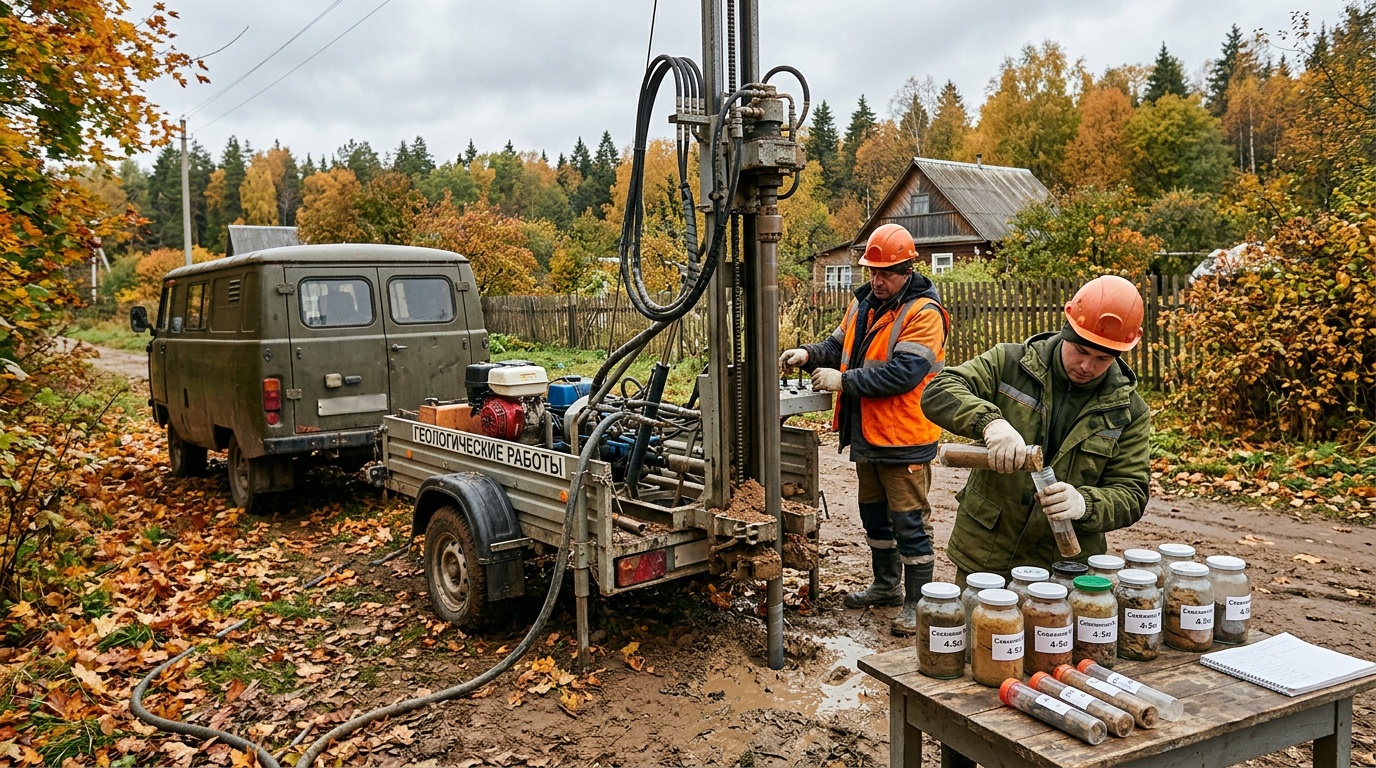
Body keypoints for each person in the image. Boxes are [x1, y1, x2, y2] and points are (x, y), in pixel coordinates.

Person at [921, 274, 1152, 586]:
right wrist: (990, 422)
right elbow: (940, 391)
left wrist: (1084, 503)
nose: (1086, 365)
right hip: (987, 554)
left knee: (1051, 632)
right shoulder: (1010, 363)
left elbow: (1131, 494)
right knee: (980, 629)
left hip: (1064, 568)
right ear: (1066, 330)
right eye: (1080, 350)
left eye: (1102, 358)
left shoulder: (1129, 411)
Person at [780, 224, 948, 637]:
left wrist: (845, 382)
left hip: (905, 438)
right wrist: (806, 353)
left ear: (908, 269)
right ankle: (887, 586)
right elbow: (839, 346)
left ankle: (917, 602)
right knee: (874, 517)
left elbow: (904, 374)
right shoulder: (863, 305)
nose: (877, 279)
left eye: (886, 272)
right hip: (868, 435)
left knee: (909, 522)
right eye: (872, 271)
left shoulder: (924, 314)